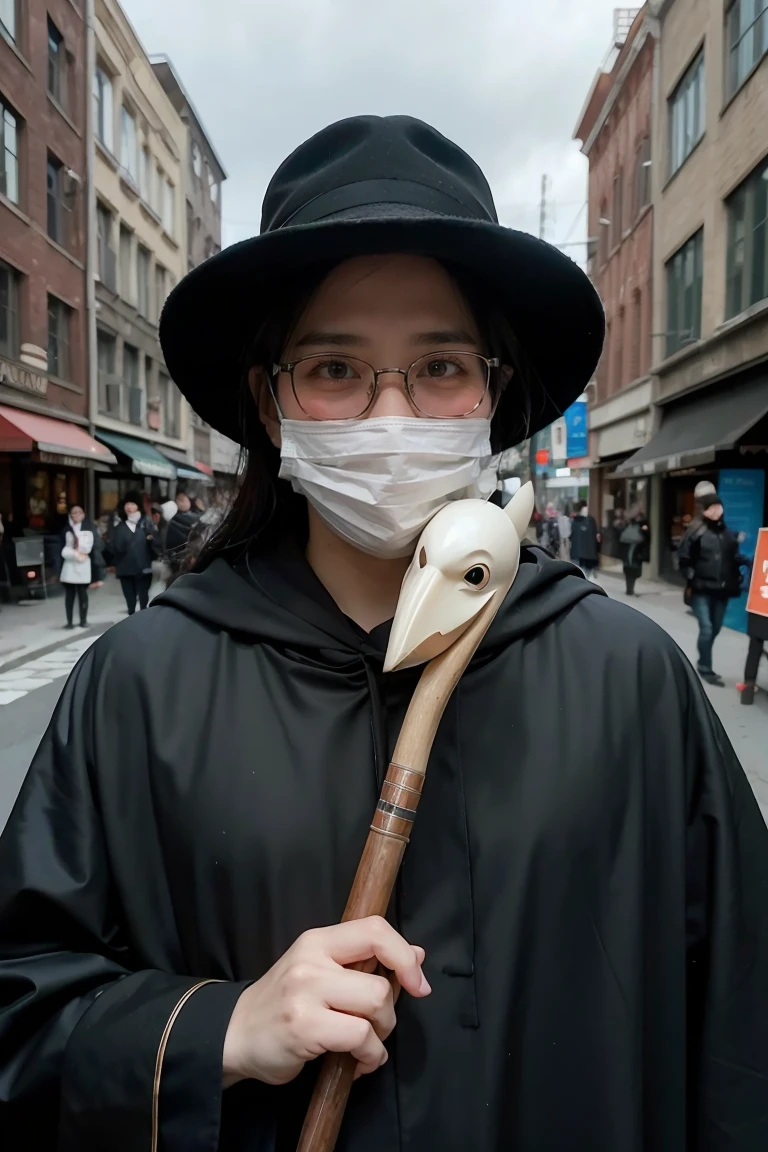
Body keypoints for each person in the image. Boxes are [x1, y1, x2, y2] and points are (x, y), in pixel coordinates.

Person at [1, 116, 767, 1152]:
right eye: (335, 369)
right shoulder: (141, 686)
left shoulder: (628, 678)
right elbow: (23, 1017)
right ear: (274, 405)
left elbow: (739, 1032)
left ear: (493, 397)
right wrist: (216, 1030)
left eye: (440, 366)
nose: (391, 412)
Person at [678, 493, 752, 686]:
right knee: (707, 628)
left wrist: (752, 561)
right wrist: (692, 577)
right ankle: (705, 667)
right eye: (712, 508)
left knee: (716, 628)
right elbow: (684, 558)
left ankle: (703, 660)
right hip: (701, 589)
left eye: (718, 507)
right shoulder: (696, 532)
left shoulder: (728, 534)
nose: (716, 511)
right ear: (706, 511)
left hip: (722, 590)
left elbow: (734, 556)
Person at [109, 491, 157, 615]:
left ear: (138, 506)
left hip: (143, 566)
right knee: (129, 598)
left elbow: (157, 544)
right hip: (125, 568)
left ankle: (143, 615)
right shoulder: (119, 527)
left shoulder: (146, 523)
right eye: (127, 504)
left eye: (132, 504)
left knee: (143, 596)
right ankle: (131, 615)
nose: (129, 507)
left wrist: (152, 540)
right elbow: (114, 547)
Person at [57, 504, 93, 629]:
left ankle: (83, 620)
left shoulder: (89, 529)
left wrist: (79, 551)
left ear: (83, 514)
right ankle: (69, 621)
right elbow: (63, 548)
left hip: (83, 565)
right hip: (70, 565)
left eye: (79, 512)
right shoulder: (66, 530)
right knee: (70, 595)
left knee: (83, 594)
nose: (76, 515)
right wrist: (73, 554)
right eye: (74, 512)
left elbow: (88, 547)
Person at [619, 506, 650, 595]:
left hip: (635, 549)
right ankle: (630, 590)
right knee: (631, 568)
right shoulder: (633, 524)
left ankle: (630, 589)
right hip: (633, 549)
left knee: (631, 568)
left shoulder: (639, 523)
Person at [569, 500, 600, 580]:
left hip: (576, 554)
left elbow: (570, 536)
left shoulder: (573, 521)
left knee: (578, 577)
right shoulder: (591, 520)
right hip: (590, 556)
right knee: (586, 577)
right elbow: (595, 538)